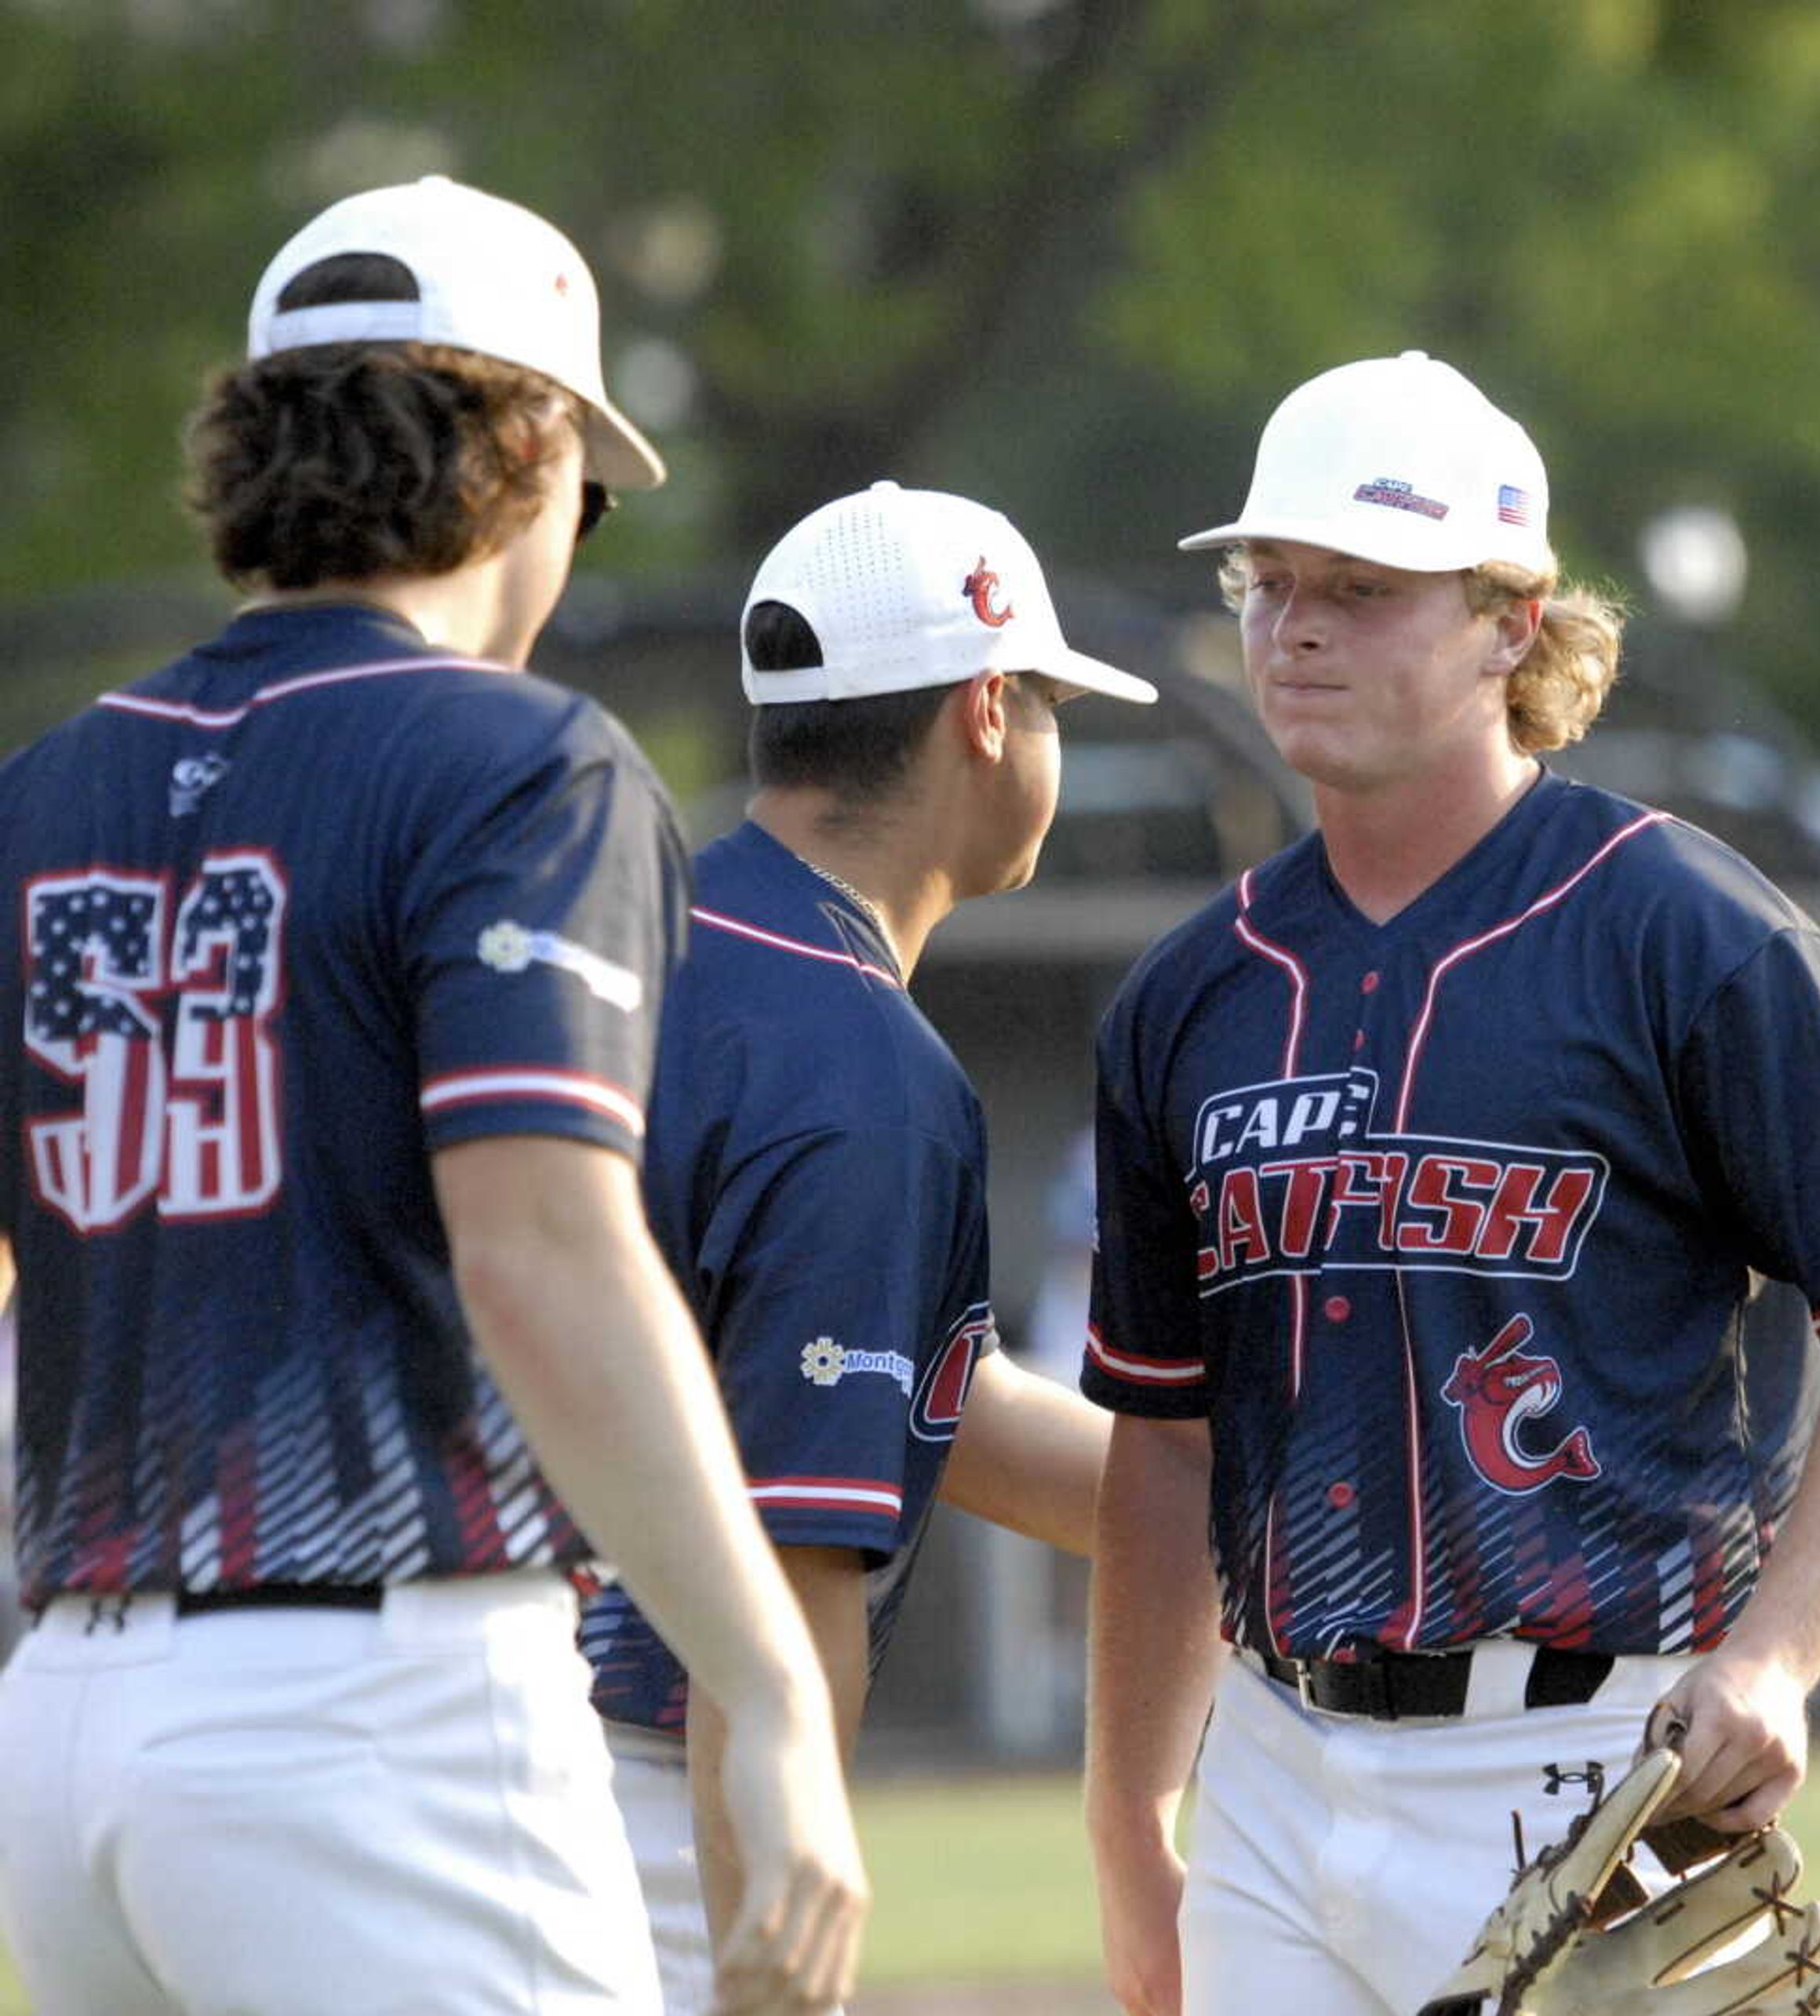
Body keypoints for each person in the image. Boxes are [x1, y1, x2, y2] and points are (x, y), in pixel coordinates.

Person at [0, 176, 863, 2014]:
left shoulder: (47, 785)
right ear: (533, 446)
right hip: (370, 1712)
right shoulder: (517, 755)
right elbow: (541, 1251)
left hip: (61, 1720)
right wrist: (770, 1686)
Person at [1079, 351, 1820, 2016]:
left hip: (1591, 1756)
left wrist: (1780, 1658)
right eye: (1269, 581)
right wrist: (1134, 1809)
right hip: (1274, 1757)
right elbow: (1161, 1440)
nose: (1292, 628)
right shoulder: (1190, 992)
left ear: (1512, 619)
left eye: (1359, 589)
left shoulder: (1684, 931)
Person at [576, 483, 1145, 2010]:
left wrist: (1257, 1508)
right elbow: (793, 1562)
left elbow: (930, 1404)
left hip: (433, 1711)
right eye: (1048, 704)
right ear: (982, 712)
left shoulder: (632, 918)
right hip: (624, 1779)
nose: (1051, 743)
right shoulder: (853, 1056)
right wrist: (771, 1928)